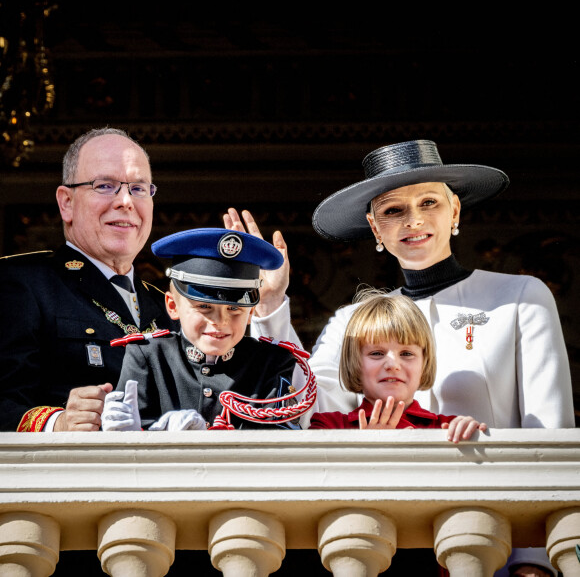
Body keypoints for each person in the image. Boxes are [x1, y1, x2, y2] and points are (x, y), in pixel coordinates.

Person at [226, 139, 573, 575]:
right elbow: (307, 407)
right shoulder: (355, 318)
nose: (414, 220)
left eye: (429, 202)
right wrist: (271, 306)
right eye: (392, 210)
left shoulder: (520, 297)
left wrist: (535, 561)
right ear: (375, 228)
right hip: (385, 547)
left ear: (456, 212)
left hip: (495, 547)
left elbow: (549, 436)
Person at [0, 127, 177, 432]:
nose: (125, 201)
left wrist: (264, 307)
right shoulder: (22, 285)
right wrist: (58, 423)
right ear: (66, 202)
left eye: (138, 188)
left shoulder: (170, 307)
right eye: (105, 185)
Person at [101, 228, 310, 431]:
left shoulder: (272, 362)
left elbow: (278, 443)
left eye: (235, 308)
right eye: (204, 307)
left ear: (251, 311)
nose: (220, 321)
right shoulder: (147, 355)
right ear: (173, 306)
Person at [309, 289, 487, 443]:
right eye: (377, 353)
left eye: (407, 354)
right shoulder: (327, 426)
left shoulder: (448, 429)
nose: (393, 364)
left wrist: (473, 439)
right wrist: (365, 450)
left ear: (424, 364)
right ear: (354, 362)